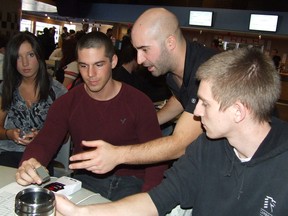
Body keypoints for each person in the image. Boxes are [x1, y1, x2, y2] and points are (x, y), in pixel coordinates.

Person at [55, 47, 288, 216]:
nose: (196, 111)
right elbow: (156, 201)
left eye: (205, 103)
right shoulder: (206, 147)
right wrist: (81, 213)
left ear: (238, 112)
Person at [16, 31, 167, 201]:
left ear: (113, 61)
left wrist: (149, 199)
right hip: (85, 181)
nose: (91, 74)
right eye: (84, 65)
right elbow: (45, 140)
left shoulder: (139, 102)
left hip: (131, 182)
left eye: (99, 64)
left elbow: (157, 158)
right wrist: (29, 163)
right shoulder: (68, 102)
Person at [67, 8, 217, 174]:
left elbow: (180, 144)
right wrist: (148, 121)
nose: (139, 60)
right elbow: (182, 98)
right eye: (137, 50)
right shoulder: (172, 72)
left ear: (170, 43)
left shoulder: (207, 71)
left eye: (145, 50)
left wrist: (116, 155)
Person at [0, 32, 67, 169]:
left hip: (40, 156)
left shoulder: (57, 91)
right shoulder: (6, 87)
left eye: (30, 55)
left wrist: (44, 137)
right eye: (18, 57)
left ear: (39, 55)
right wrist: (9, 134)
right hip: (7, 154)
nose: (25, 63)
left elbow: (65, 136)